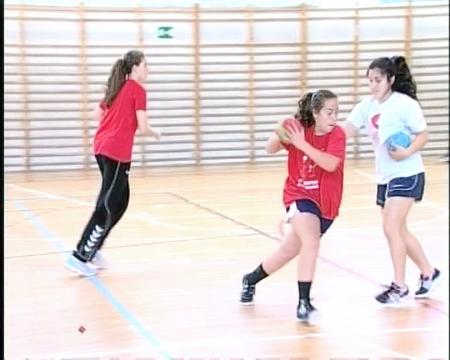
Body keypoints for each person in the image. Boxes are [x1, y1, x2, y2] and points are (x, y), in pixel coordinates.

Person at [240, 89, 346, 323]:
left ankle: (250, 279)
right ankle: (304, 303)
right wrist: (282, 132)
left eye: (336, 112)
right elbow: (269, 148)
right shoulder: (300, 131)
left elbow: (329, 164)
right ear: (316, 113)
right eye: (329, 112)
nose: (334, 118)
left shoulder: (337, 135)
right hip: (299, 195)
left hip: (327, 204)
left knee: (288, 251)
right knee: (311, 241)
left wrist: (302, 144)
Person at [344, 56, 441, 304]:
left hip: (408, 172)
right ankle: (429, 272)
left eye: (378, 80)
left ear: (391, 79)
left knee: (390, 227)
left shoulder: (404, 104)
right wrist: (317, 133)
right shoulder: (367, 105)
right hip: (385, 176)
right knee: (398, 230)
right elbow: (346, 131)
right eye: (370, 80)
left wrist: (408, 151)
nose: (373, 85)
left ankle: (399, 286)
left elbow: (423, 135)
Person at [64, 50, 161, 276]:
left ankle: (94, 247)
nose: (148, 70)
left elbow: (97, 114)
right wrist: (154, 132)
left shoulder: (116, 87)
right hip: (116, 153)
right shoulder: (137, 90)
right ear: (135, 67)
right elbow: (143, 127)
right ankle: (79, 255)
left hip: (101, 147)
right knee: (107, 204)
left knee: (121, 201)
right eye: (146, 65)